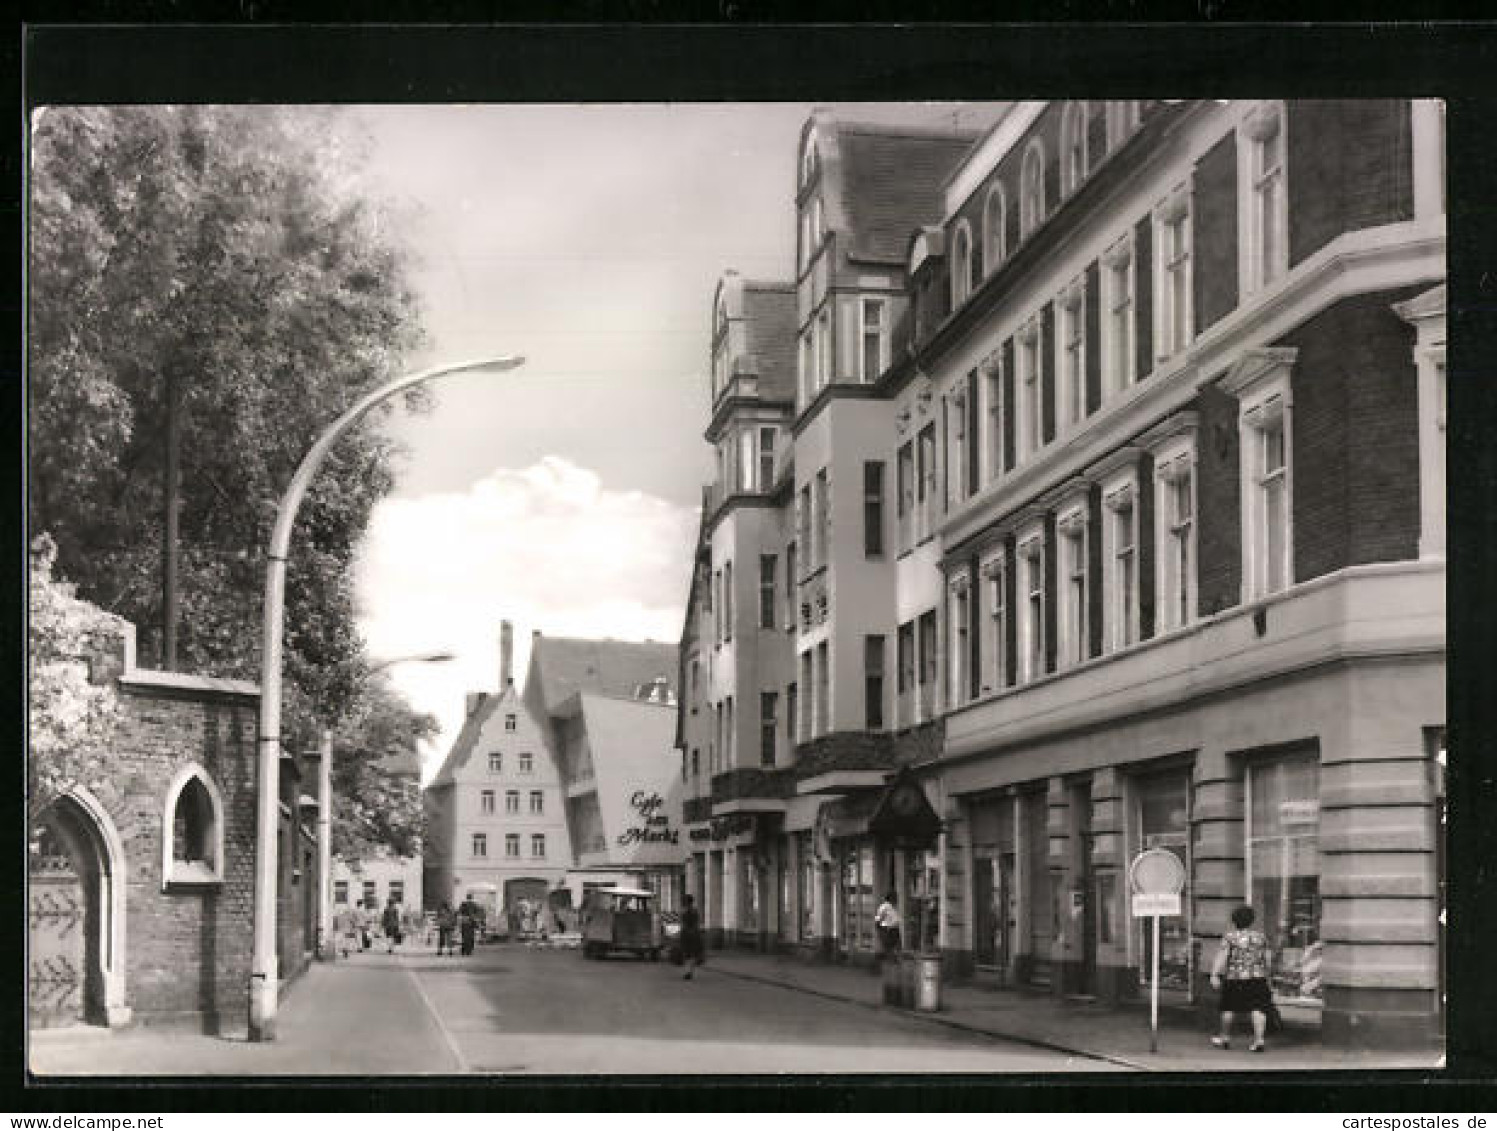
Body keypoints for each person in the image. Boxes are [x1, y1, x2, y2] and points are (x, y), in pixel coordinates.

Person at [1210, 904, 1274, 1052]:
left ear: (1234, 920)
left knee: (1228, 1007)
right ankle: (1259, 1040)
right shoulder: (1260, 937)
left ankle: (1224, 1037)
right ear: (1252, 920)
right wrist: (1268, 975)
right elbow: (1268, 958)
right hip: (1258, 977)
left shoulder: (1230, 937)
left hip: (1235, 977)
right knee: (1258, 1008)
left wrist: (1214, 974)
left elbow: (1223, 956)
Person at [679, 893, 704, 980]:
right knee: (693, 954)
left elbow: (683, 924)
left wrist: (680, 933)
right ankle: (690, 972)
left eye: (684, 901)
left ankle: (688, 972)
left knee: (687, 954)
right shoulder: (695, 911)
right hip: (694, 934)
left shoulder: (684, 912)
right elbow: (697, 923)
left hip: (686, 934)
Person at [874, 892, 902, 965]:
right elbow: (878, 919)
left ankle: (894, 960)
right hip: (888, 929)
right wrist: (881, 930)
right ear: (891, 898)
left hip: (894, 929)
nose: (896, 900)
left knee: (896, 946)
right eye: (895, 898)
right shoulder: (884, 907)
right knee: (889, 947)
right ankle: (889, 961)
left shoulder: (893, 907)